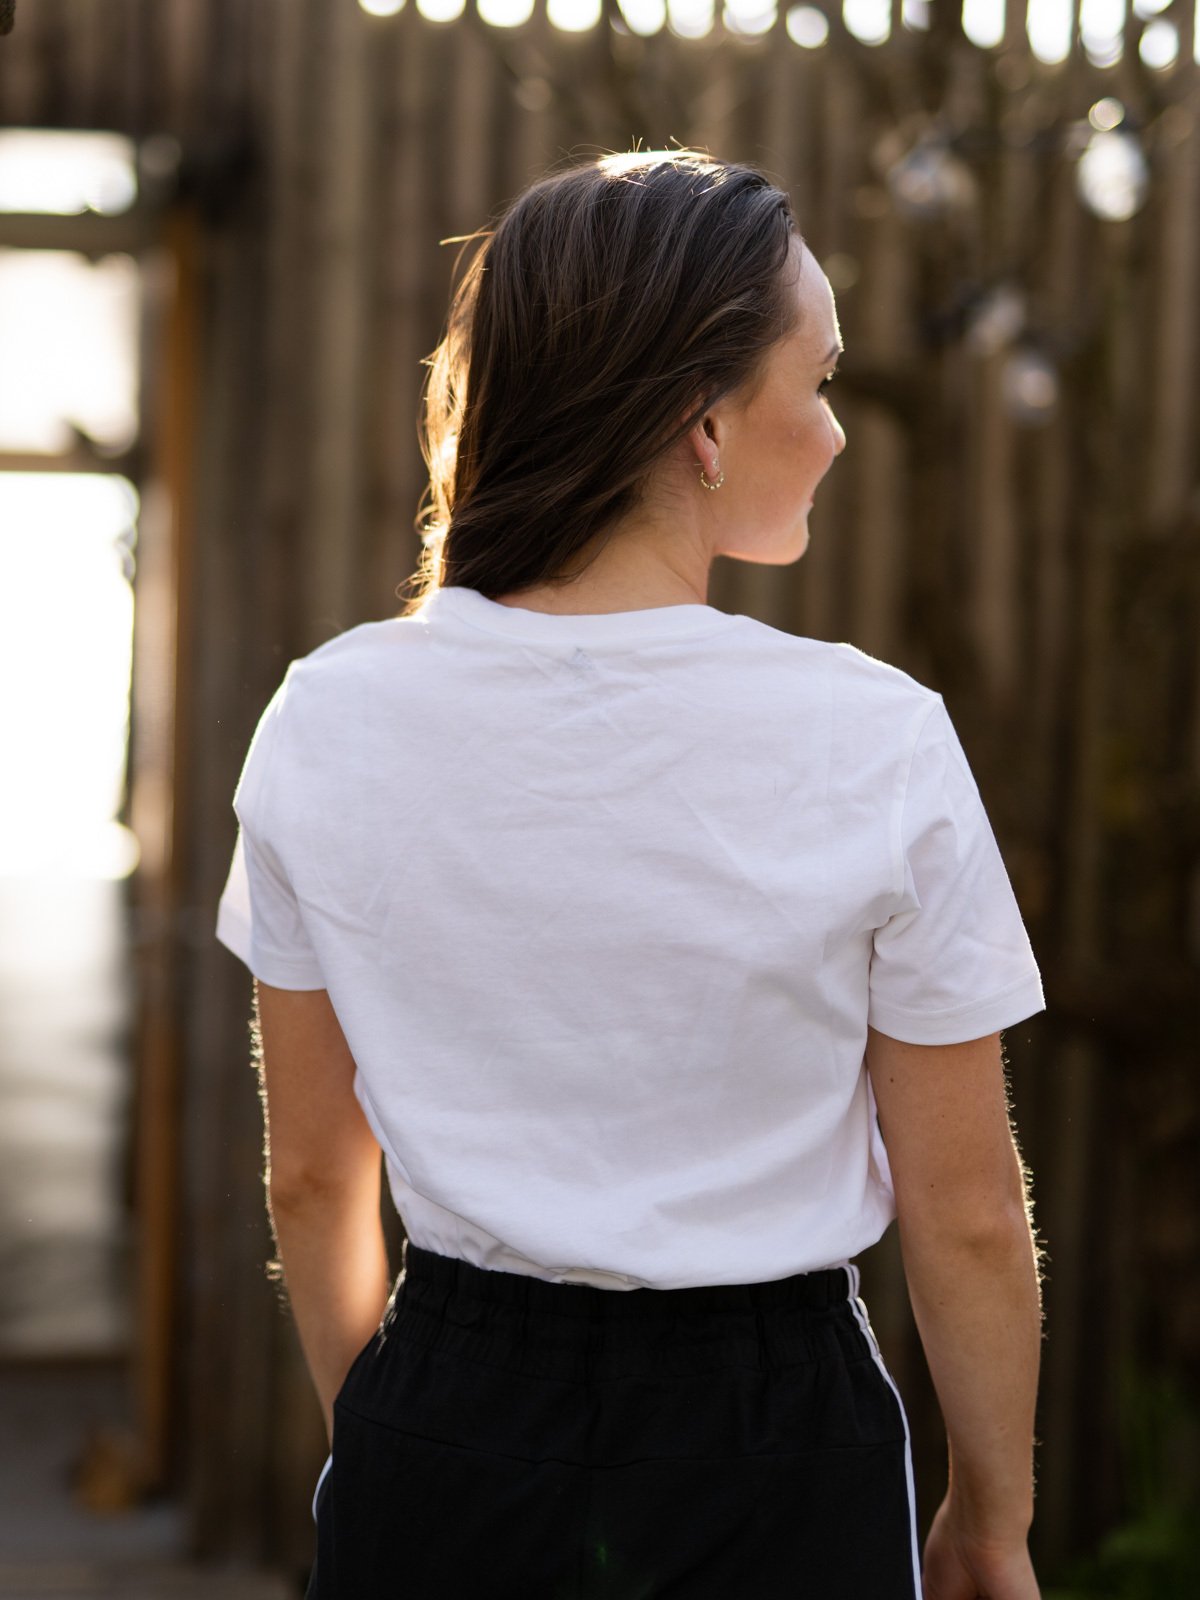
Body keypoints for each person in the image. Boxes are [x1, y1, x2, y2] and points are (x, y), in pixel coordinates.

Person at [216, 149, 1045, 1600]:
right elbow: (966, 1212)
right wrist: (990, 1520)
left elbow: (307, 1177)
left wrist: (398, 1435)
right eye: (824, 380)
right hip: (777, 1448)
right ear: (704, 427)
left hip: (449, 1413)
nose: (841, 433)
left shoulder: (326, 716)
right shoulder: (877, 739)